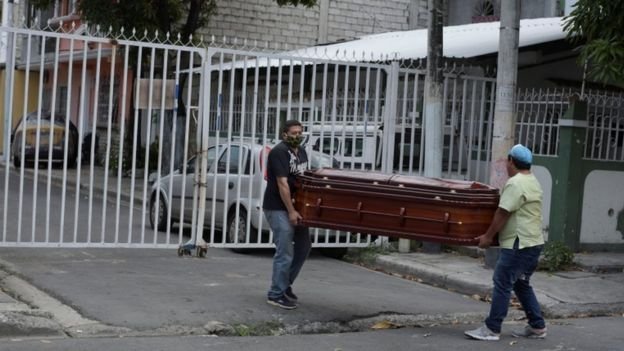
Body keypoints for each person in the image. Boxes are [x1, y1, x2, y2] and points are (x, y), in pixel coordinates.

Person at [464, 144, 547, 341]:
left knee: (502, 282)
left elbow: (503, 212)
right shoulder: (532, 180)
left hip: (519, 244)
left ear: (511, 161)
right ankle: (537, 326)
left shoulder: (515, 183)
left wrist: (487, 236)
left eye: (507, 161)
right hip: (534, 243)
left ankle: (492, 328)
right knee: (521, 284)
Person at [263, 119, 312, 310]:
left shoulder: (301, 152)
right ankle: (275, 294)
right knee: (285, 251)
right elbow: (283, 184)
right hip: (278, 207)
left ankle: (285, 285)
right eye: (294, 133)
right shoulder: (279, 153)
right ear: (284, 134)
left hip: (296, 207)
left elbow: (303, 178)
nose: (297, 136)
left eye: (300, 133)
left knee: (304, 245)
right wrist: (291, 211)